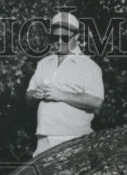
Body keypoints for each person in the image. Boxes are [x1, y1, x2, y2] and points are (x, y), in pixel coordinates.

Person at [26, 12, 104, 157]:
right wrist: (34, 95)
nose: (59, 41)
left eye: (65, 37)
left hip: (72, 140)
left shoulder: (88, 66)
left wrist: (60, 95)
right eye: (55, 37)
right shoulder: (44, 63)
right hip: (43, 137)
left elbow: (96, 101)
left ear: (77, 37)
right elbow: (28, 96)